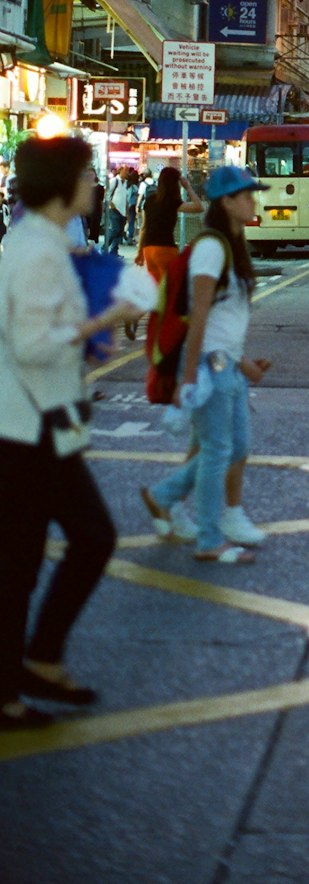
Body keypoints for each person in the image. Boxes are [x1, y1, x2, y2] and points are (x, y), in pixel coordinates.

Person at [0, 136, 142, 731]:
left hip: (42, 425)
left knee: (46, 552)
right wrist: (105, 320)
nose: (95, 183)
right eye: (86, 174)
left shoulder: (45, 244)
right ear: (63, 184)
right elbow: (33, 346)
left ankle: (37, 662)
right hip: (23, 430)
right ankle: (21, 676)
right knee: (43, 553)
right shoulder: (33, 250)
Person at [140, 166, 272, 565]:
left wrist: (246, 364)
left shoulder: (232, 243)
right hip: (209, 365)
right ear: (227, 202)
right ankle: (210, 539)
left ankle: (163, 497)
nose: (253, 201)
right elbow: (198, 316)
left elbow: (223, 319)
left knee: (236, 448)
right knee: (218, 450)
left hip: (226, 364)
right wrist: (189, 375)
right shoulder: (211, 247)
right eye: (247, 195)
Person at [135, 167, 205, 286]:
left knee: (155, 288)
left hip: (149, 248)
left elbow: (144, 227)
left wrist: (140, 252)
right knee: (170, 288)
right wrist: (187, 187)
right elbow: (199, 207)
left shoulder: (150, 200)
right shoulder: (172, 201)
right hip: (165, 248)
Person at [102, 169, 129, 255]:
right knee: (115, 229)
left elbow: (126, 197)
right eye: (125, 171)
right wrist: (110, 203)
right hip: (114, 209)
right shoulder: (114, 181)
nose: (126, 173)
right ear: (120, 171)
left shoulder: (126, 183)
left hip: (123, 211)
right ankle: (104, 248)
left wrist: (127, 210)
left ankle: (114, 251)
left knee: (120, 231)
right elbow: (106, 192)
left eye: (127, 171)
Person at [124, 171, 141, 245]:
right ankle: (130, 238)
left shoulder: (126, 184)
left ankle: (122, 236)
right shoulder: (135, 186)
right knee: (131, 221)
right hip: (132, 205)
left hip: (124, 205)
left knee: (123, 221)